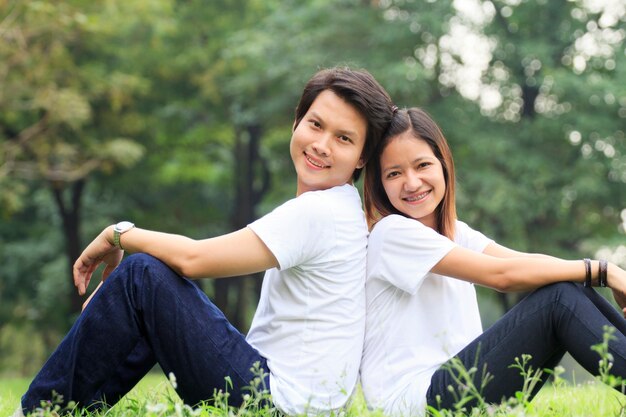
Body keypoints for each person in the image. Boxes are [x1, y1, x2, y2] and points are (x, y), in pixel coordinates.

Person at [16, 67, 395, 417]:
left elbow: (194, 259)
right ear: (296, 122)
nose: (322, 145)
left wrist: (117, 233)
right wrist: (116, 307)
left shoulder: (320, 213)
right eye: (316, 125)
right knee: (152, 286)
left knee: (143, 276)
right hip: (287, 399)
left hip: (277, 404)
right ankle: (66, 409)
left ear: (362, 157)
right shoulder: (338, 209)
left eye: (343, 138)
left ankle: (34, 412)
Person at [359, 107, 626, 417]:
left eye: (422, 165)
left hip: (456, 392)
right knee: (559, 298)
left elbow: (526, 263)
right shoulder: (392, 233)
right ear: (380, 183)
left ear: (444, 165)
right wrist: (606, 272)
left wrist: (602, 272)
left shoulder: (455, 233)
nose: (412, 182)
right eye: (394, 173)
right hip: (416, 402)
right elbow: (503, 276)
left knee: (566, 286)